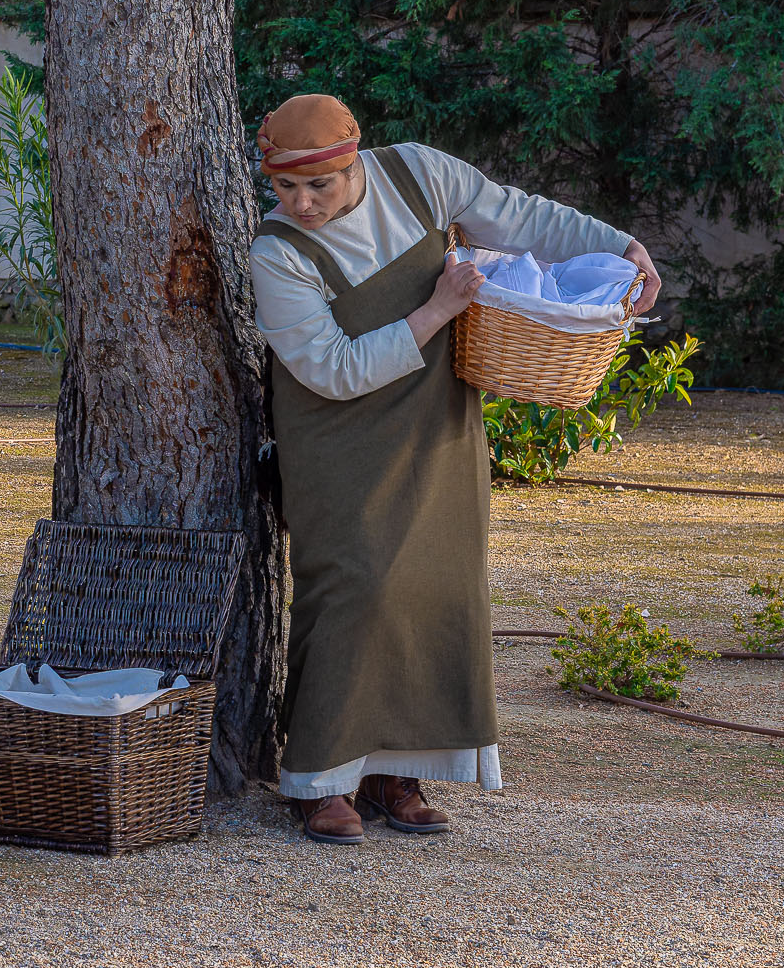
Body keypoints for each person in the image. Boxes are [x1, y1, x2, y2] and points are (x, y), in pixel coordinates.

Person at [249, 94, 661, 844]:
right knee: (355, 585)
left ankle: (391, 773)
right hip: (336, 438)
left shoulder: (418, 176)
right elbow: (330, 369)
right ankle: (318, 778)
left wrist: (622, 245)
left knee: (437, 584)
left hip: (434, 419)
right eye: (286, 188)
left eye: (322, 185)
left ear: (356, 160)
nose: (303, 203)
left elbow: (521, 216)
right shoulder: (276, 253)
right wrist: (437, 309)